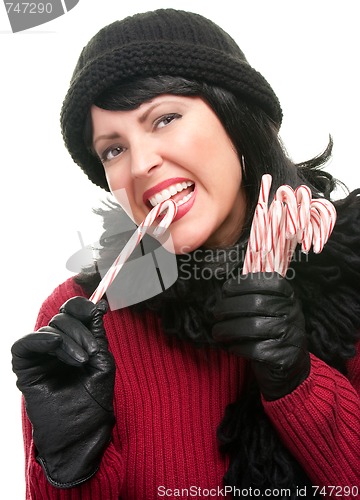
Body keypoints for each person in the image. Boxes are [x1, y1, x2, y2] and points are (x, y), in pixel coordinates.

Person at [11, 8, 360, 500]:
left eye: (165, 118)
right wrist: (69, 465)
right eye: (113, 149)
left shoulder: (351, 269)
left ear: (235, 118)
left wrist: (299, 383)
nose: (141, 163)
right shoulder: (78, 325)